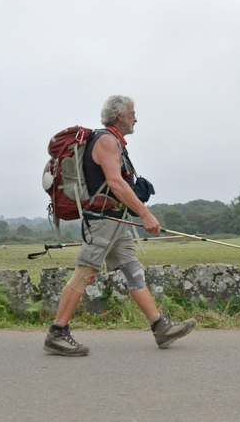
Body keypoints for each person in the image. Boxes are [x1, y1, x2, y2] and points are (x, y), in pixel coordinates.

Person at [44, 95, 196, 356]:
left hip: (114, 220)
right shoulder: (106, 141)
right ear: (119, 116)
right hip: (103, 221)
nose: (135, 118)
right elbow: (115, 182)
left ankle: (161, 327)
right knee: (85, 273)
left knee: (132, 269)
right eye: (132, 113)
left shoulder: (112, 141)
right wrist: (145, 214)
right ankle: (57, 332)